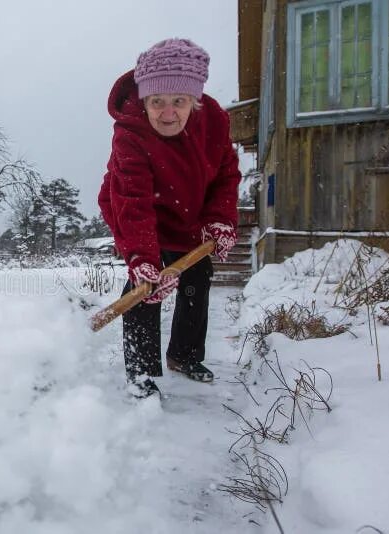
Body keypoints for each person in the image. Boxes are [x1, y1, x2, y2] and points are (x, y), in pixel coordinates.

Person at [98, 38, 241, 399]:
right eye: (156, 101)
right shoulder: (130, 134)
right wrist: (144, 259)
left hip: (189, 213)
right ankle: (141, 373)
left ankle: (185, 355)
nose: (166, 112)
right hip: (136, 208)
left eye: (178, 101)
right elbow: (133, 201)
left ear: (194, 100)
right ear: (143, 100)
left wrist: (220, 219)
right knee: (144, 289)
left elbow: (225, 177)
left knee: (197, 276)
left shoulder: (215, 123)